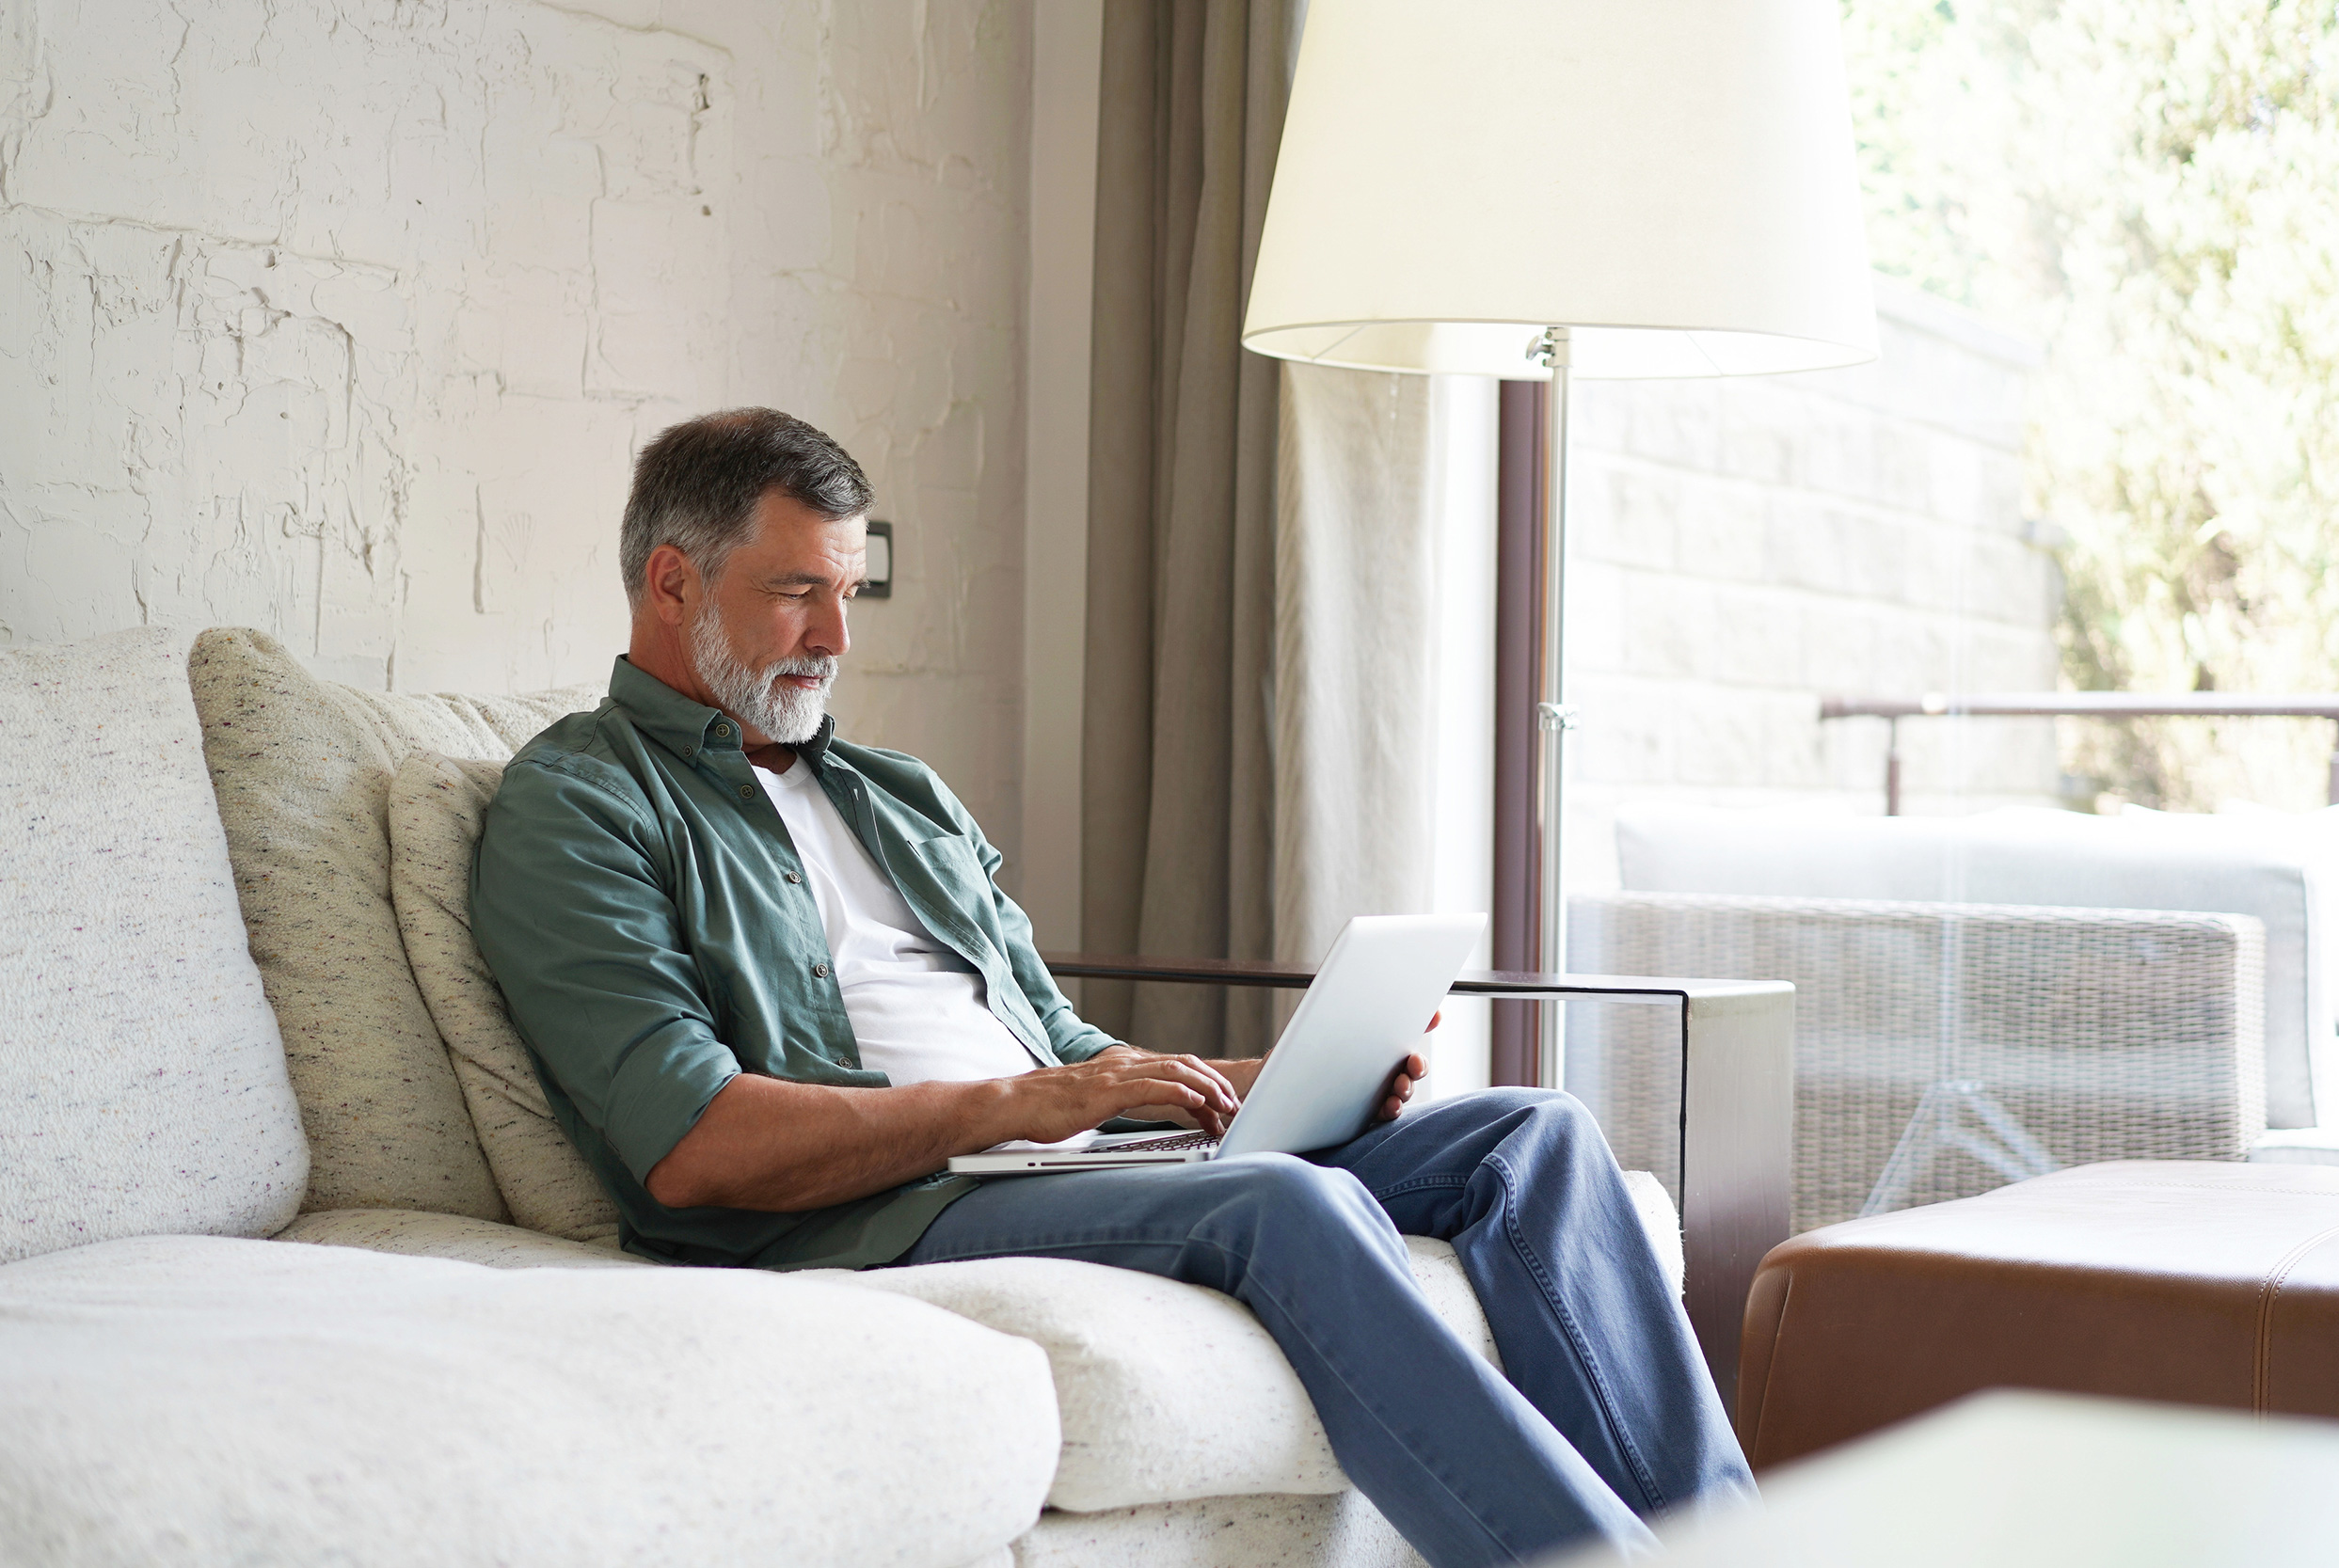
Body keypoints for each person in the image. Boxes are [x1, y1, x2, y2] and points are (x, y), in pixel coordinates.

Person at [471, 407, 1752, 1568]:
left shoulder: (895, 795)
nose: (837, 638)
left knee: (1534, 1133)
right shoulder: (582, 801)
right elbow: (694, 1150)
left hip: (1041, 1156)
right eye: (796, 591)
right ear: (670, 579)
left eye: (850, 591)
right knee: (1283, 1204)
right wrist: (1016, 1103)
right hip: (870, 1215)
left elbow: (1063, 1045)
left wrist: (1257, 1082)